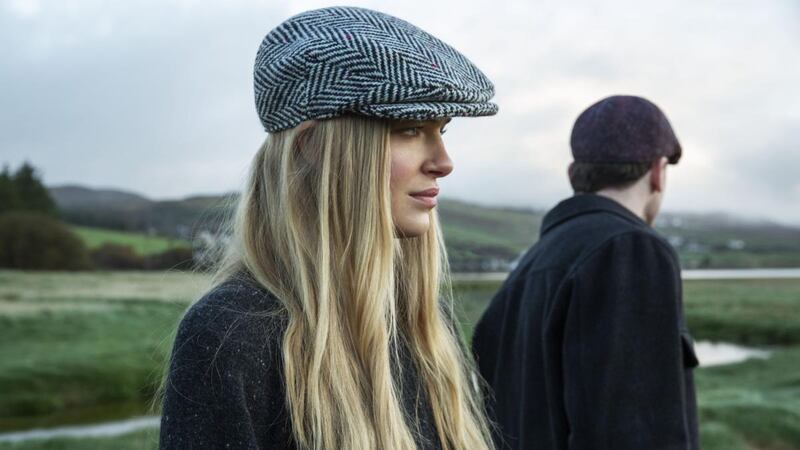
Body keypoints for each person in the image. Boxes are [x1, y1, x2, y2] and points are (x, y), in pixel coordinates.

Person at [159, 6, 498, 450]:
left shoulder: (423, 323)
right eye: (410, 129)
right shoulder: (231, 335)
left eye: (442, 130)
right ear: (310, 148)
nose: (443, 162)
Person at [472, 95, 700, 449]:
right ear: (657, 172)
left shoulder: (529, 267)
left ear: (573, 175)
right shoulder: (629, 249)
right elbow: (636, 436)